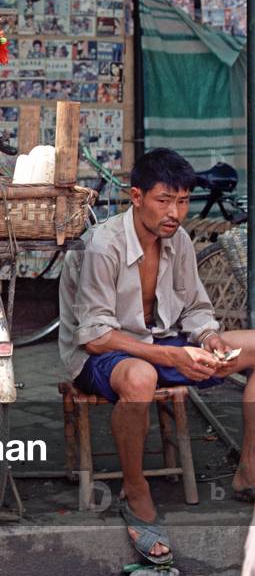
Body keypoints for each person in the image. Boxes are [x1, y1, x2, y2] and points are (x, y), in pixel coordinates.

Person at [59, 148, 255, 565]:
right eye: (164, 200)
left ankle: (249, 471)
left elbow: (196, 308)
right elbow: (95, 336)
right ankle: (136, 491)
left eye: (182, 201)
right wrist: (172, 356)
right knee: (141, 377)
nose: (174, 213)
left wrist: (209, 338)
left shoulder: (178, 239)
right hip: (103, 356)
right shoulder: (103, 246)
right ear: (136, 196)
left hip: (163, 342)